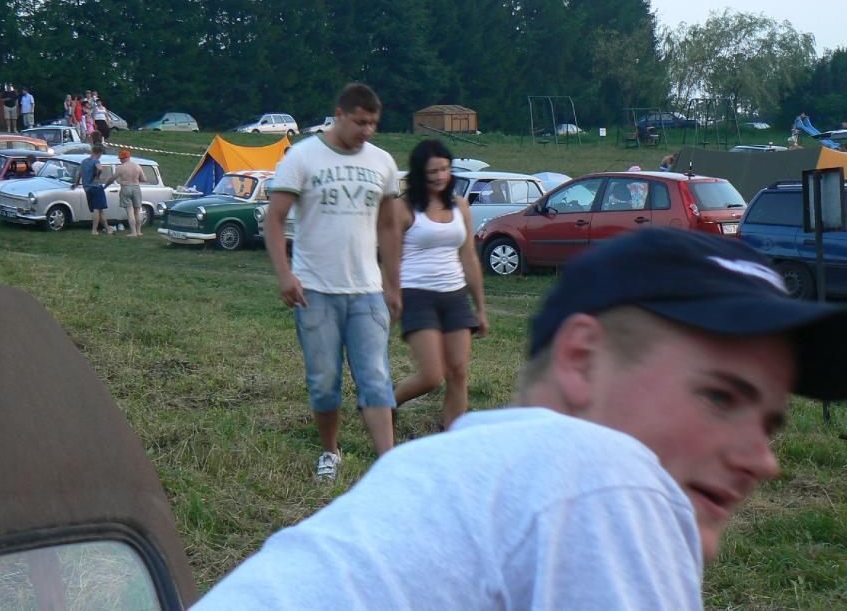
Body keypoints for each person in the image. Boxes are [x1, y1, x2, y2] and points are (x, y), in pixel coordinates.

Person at [194, 228, 847, 610]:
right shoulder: (600, 474)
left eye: (771, 423)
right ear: (582, 360)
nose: (765, 460)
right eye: (721, 397)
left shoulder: (451, 479)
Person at [264, 83, 401, 480]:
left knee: (375, 377)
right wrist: (284, 274)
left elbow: (389, 226)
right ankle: (330, 451)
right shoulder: (302, 156)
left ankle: (388, 464)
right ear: (339, 115)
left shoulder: (382, 162)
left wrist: (393, 283)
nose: (367, 131)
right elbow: (274, 219)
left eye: (373, 123)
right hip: (315, 292)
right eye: (360, 122)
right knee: (324, 382)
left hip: (367, 292)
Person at [392, 139, 488, 430]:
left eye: (444, 169)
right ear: (419, 173)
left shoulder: (460, 206)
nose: (439, 176)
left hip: (455, 295)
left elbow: (468, 256)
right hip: (416, 294)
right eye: (432, 171)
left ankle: (453, 438)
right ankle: (387, 405)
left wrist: (480, 308)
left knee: (458, 372)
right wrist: (392, 296)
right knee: (431, 376)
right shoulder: (403, 207)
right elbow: (390, 258)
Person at [103, 149, 146, 237]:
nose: (120, 160)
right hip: (136, 188)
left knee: (130, 211)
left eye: (120, 159)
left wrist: (105, 186)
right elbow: (144, 179)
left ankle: (133, 232)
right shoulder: (137, 166)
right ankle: (139, 231)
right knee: (137, 211)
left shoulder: (121, 168)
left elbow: (112, 179)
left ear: (123, 158)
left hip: (126, 188)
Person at [72, 145, 113, 235]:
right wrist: (97, 176)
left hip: (87, 188)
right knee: (97, 209)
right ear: (99, 153)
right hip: (96, 187)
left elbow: (79, 174)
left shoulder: (84, 161)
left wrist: (76, 183)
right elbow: (100, 169)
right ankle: (94, 230)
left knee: (100, 210)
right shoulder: (95, 161)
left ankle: (107, 229)